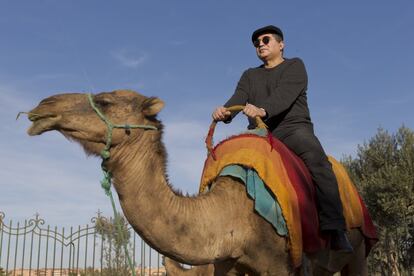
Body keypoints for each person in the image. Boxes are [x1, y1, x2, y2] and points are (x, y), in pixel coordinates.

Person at [212, 25, 353, 252]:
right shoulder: (250, 75)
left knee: (318, 162)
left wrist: (262, 110)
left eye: (266, 40)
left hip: (293, 129)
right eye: (256, 42)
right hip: (260, 134)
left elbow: (284, 96)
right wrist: (225, 112)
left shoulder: (295, 66)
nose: (261, 44)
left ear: (281, 44)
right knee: (228, 162)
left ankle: (335, 226)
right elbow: (238, 97)